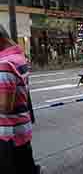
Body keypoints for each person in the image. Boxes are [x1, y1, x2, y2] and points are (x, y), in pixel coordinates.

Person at [0, 25, 42, 174]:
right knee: (25, 166)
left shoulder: (4, 64)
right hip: (21, 129)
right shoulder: (18, 56)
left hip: (8, 135)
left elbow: (5, 107)